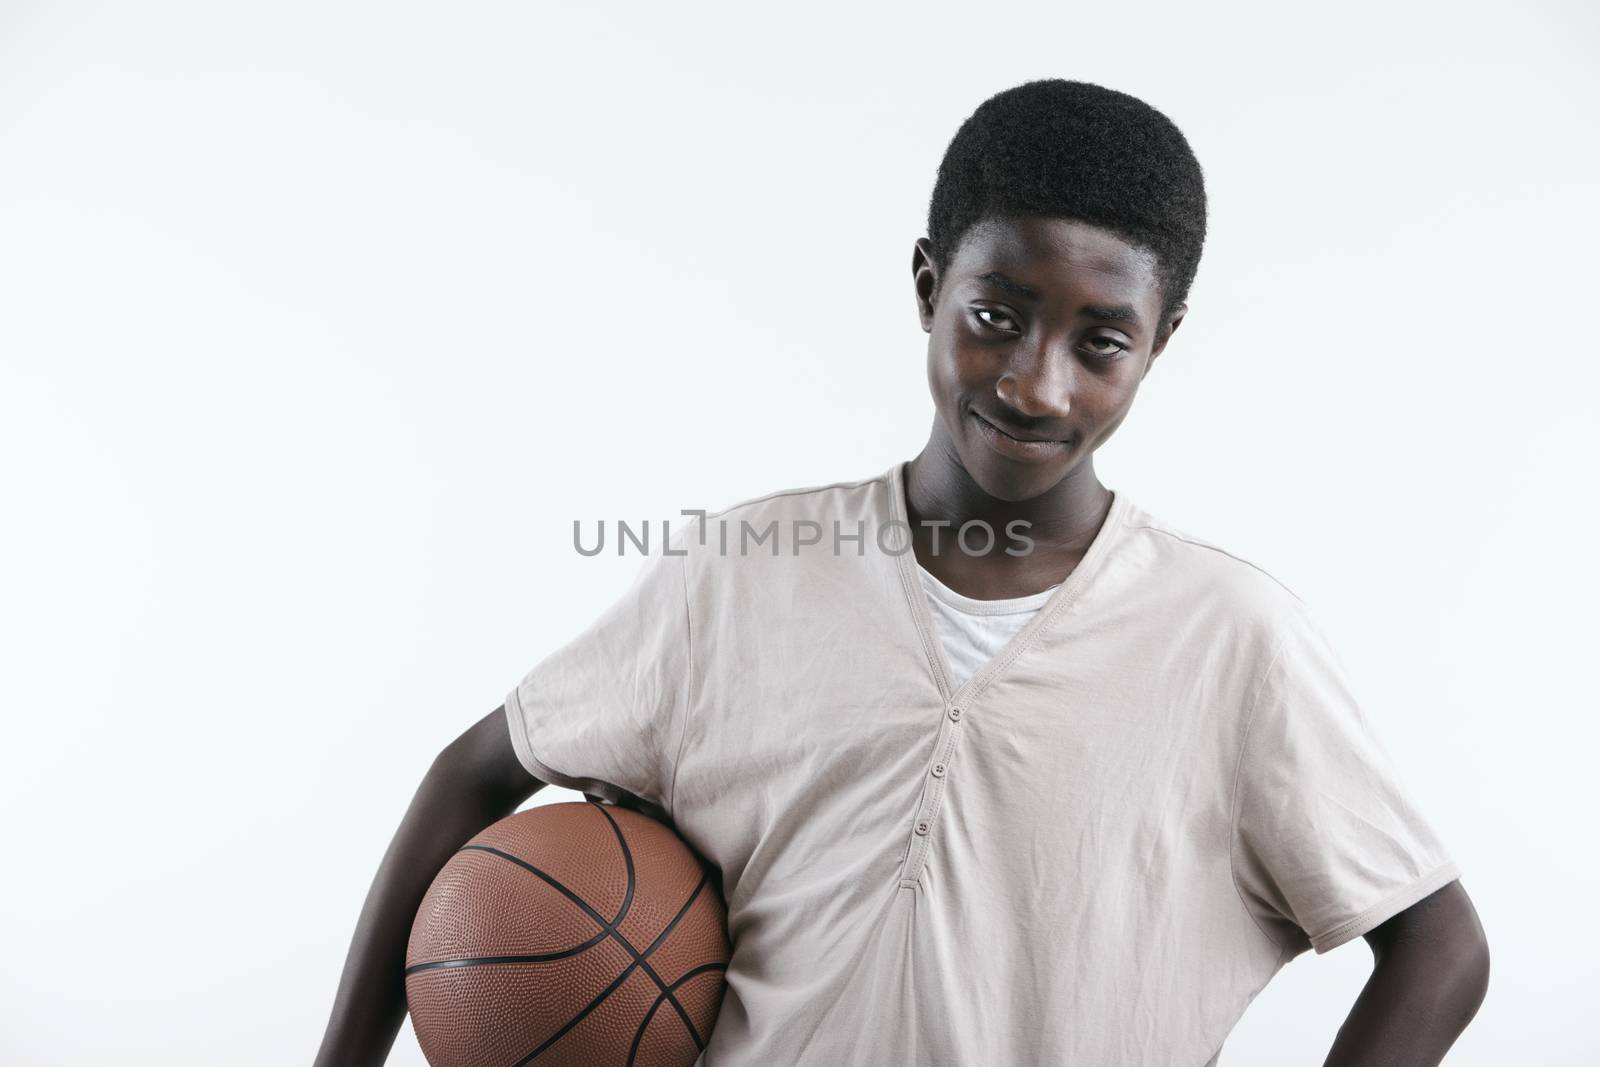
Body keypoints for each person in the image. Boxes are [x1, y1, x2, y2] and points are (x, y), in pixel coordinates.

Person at [315, 78, 1489, 1066]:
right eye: (996, 313)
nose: (1035, 384)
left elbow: (1439, 944)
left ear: (1161, 340)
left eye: (1100, 341)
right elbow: (475, 770)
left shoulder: (1229, 638)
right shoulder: (741, 578)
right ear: (929, 285)